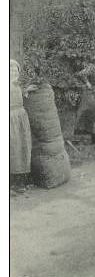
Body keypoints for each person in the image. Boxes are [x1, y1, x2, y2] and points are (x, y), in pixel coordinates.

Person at [10, 59, 34, 193]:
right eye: (10, 70)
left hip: (20, 118)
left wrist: (27, 90)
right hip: (10, 119)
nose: (13, 73)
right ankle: (11, 182)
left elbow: (19, 95)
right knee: (13, 148)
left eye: (15, 70)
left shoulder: (17, 85)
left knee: (22, 146)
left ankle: (20, 181)